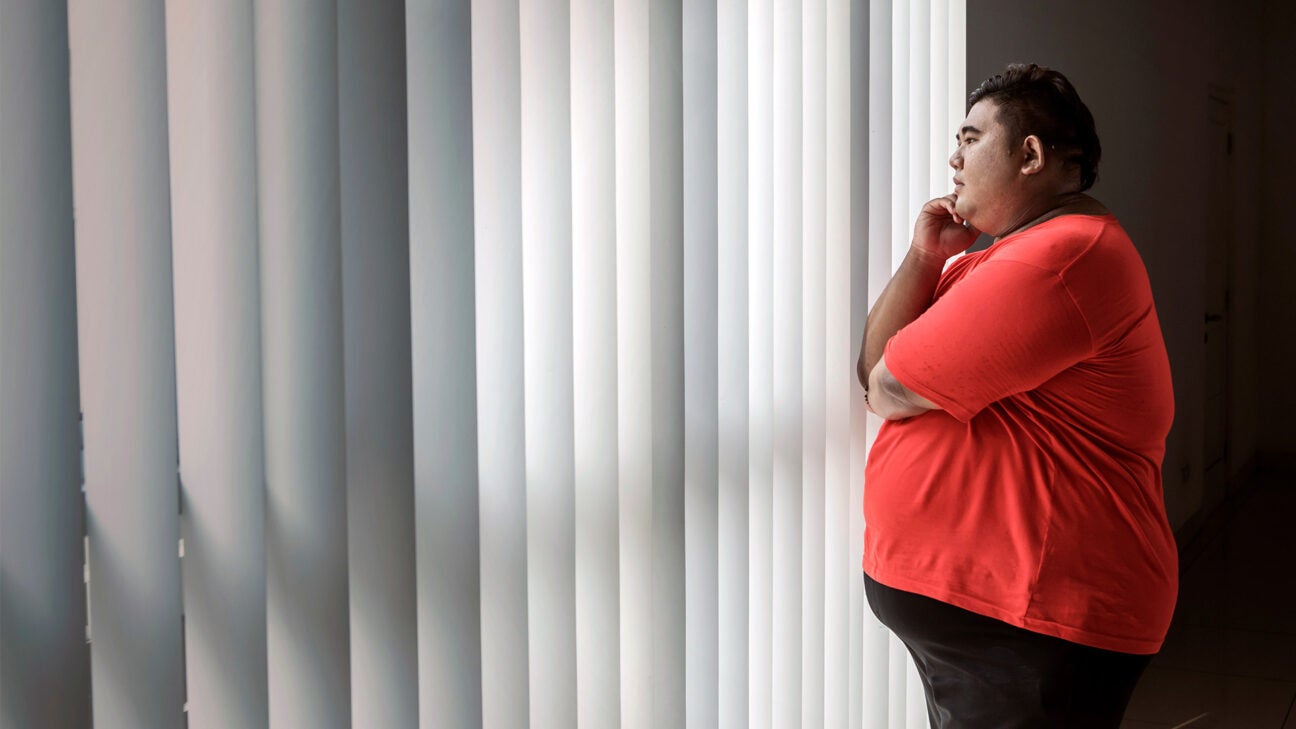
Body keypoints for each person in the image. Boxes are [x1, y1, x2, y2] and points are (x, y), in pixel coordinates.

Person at [857, 63, 1177, 728]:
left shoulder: (1061, 258)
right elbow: (872, 372)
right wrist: (926, 258)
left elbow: (890, 387)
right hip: (999, 617)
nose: (954, 156)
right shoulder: (999, 257)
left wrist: (898, 376)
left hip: (1034, 618)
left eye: (971, 139)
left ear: (1030, 154)